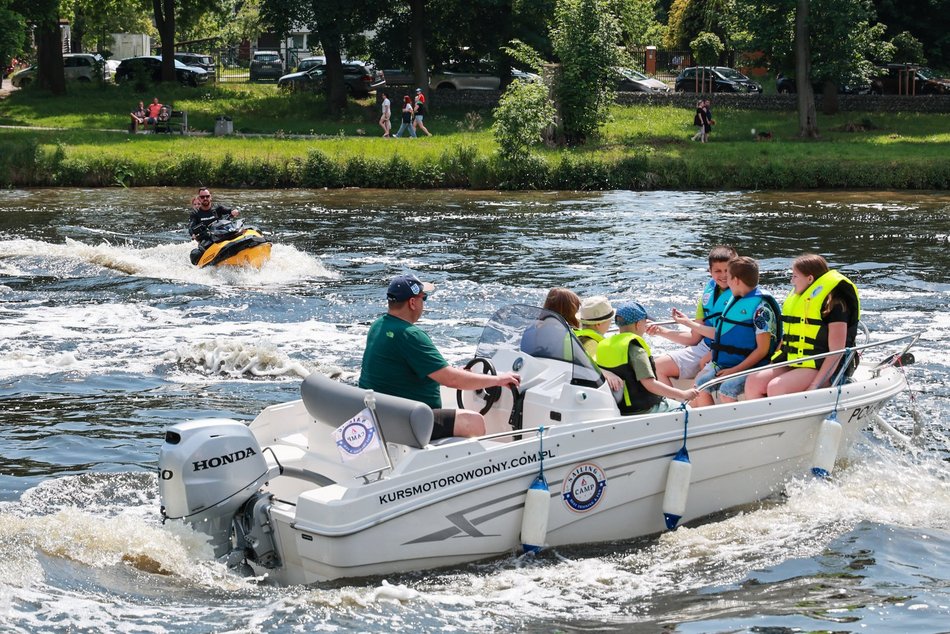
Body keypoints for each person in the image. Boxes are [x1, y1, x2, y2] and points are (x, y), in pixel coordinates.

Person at [358, 274, 520, 440]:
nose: (424, 304)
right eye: (424, 298)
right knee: (474, 422)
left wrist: (454, 372)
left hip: (381, 414)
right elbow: (452, 381)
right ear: (412, 303)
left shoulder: (378, 326)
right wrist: (499, 380)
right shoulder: (410, 335)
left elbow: (401, 369)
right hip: (407, 419)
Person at [745, 254, 860, 399]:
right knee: (753, 381)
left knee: (777, 387)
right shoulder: (799, 300)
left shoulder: (836, 305)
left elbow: (836, 352)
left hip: (820, 366)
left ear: (810, 279)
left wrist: (815, 385)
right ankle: (762, 421)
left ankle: (784, 421)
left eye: (795, 276)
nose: (791, 281)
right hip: (795, 360)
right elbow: (788, 337)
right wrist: (773, 363)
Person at [673, 257, 781, 407]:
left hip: (753, 366)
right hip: (729, 364)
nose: (727, 282)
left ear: (736, 280)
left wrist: (734, 370)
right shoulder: (736, 301)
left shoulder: (761, 309)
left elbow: (762, 350)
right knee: (700, 385)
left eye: (728, 277)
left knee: (727, 390)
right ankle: (709, 423)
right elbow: (726, 336)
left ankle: (734, 426)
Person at [649, 245, 737, 386]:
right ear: (710, 271)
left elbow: (726, 335)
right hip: (705, 347)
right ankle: (672, 407)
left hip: (730, 350)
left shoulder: (741, 295)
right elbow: (693, 339)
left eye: (727, 270)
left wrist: (687, 322)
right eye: (718, 271)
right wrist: (660, 331)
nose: (723, 275)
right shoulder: (708, 295)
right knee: (657, 366)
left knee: (698, 384)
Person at [595, 302, 700, 415]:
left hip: (621, 409)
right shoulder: (636, 350)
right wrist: (683, 394)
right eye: (645, 322)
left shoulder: (603, 345)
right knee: (688, 410)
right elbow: (650, 384)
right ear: (638, 324)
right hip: (644, 410)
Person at [188, 187, 239, 265]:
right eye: (202, 197)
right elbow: (191, 226)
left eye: (207, 196)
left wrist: (234, 211)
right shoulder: (195, 213)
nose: (205, 198)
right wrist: (193, 234)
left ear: (210, 197)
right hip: (207, 241)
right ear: (199, 198)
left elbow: (230, 210)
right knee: (195, 254)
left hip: (222, 236)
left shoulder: (218, 208)